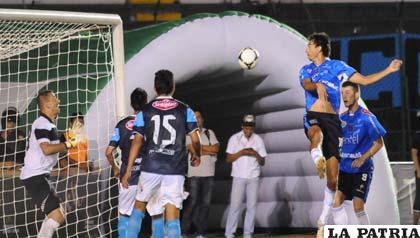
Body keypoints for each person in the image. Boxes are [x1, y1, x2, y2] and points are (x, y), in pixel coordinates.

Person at [299, 32, 401, 234]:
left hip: (333, 122)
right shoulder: (306, 69)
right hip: (314, 115)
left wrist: (388, 70)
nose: (306, 48)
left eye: (309, 45)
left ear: (319, 47)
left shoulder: (338, 67)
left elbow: (364, 80)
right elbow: (306, 84)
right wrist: (317, 84)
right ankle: (317, 156)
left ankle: (323, 220)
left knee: (332, 180)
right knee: (315, 134)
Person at [121, 69, 202, 238]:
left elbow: (137, 141)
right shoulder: (184, 109)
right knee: (173, 217)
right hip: (175, 169)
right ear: (173, 86)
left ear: (154, 87)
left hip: (150, 166)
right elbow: (195, 139)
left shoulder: (145, 111)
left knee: (138, 210)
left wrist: (128, 169)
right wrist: (197, 155)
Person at [19, 90, 79, 238]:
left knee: (57, 215)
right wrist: (68, 144)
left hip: (40, 175)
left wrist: (66, 140)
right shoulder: (42, 123)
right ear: (47, 104)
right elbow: (46, 149)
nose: (58, 100)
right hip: (36, 176)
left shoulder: (47, 124)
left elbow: (51, 150)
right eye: (55, 98)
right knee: (57, 216)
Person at [331, 81, 386, 225]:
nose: (344, 96)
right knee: (336, 203)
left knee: (358, 205)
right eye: (342, 93)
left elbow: (379, 143)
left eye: (348, 92)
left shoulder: (367, 117)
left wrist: (363, 158)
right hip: (344, 168)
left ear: (357, 94)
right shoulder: (341, 118)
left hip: (362, 169)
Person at [105, 88, 153, 238]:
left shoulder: (121, 125)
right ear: (146, 103)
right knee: (156, 213)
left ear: (131, 103)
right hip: (148, 175)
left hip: (128, 176)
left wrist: (114, 167)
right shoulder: (151, 123)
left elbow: (108, 152)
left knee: (125, 214)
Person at [224, 114, 267, 238]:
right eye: (246, 127)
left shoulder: (258, 140)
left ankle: (248, 234)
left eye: (251, 127)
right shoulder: (234, 138)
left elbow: (263, 162)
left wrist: (255, 153)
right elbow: (228, 158)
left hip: (253, 177)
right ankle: (229, 233)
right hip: (238, 176)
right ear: (242, 126)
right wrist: (242, 152)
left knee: (251, 207)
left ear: (253, 127)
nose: (248, 130)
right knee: (235, 206)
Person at [182, 108, 219, 238]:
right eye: (195, 118)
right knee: (192, 203)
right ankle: (184, 232)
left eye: (199, 117)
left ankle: (201, 233)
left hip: (209, 174)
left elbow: (216, 148)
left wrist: (201, 149)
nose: (197, 120)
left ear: (202, 119)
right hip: (194, 175)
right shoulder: (188, 135)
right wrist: (207, 151)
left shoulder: (209, 133)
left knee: (205, 205)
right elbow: (193, 150)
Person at [412, 111, 420, 224]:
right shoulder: (418, 136)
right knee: (419, 198)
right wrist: (418, 169)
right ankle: (414, 225)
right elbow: (414, 152)